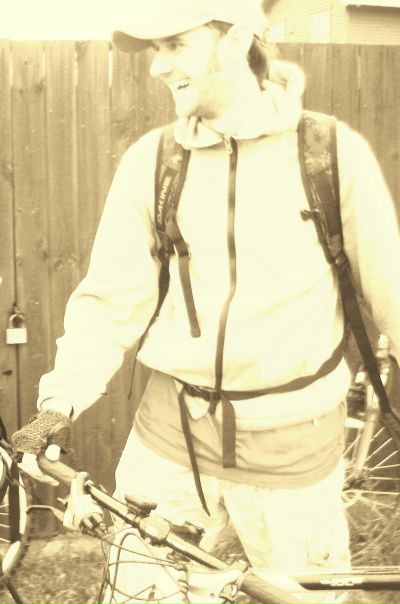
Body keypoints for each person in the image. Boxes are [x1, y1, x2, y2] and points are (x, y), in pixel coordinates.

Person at [12, 0, 400, 601]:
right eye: (155, 50)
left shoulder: (329, 154)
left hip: (293, 453)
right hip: (168, 445)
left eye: (175, 45)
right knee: (138, 594)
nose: (157, 66)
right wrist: (59, 401)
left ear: (237, 39)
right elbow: (109, 301)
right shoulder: (154, 162)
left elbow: (392, 295)